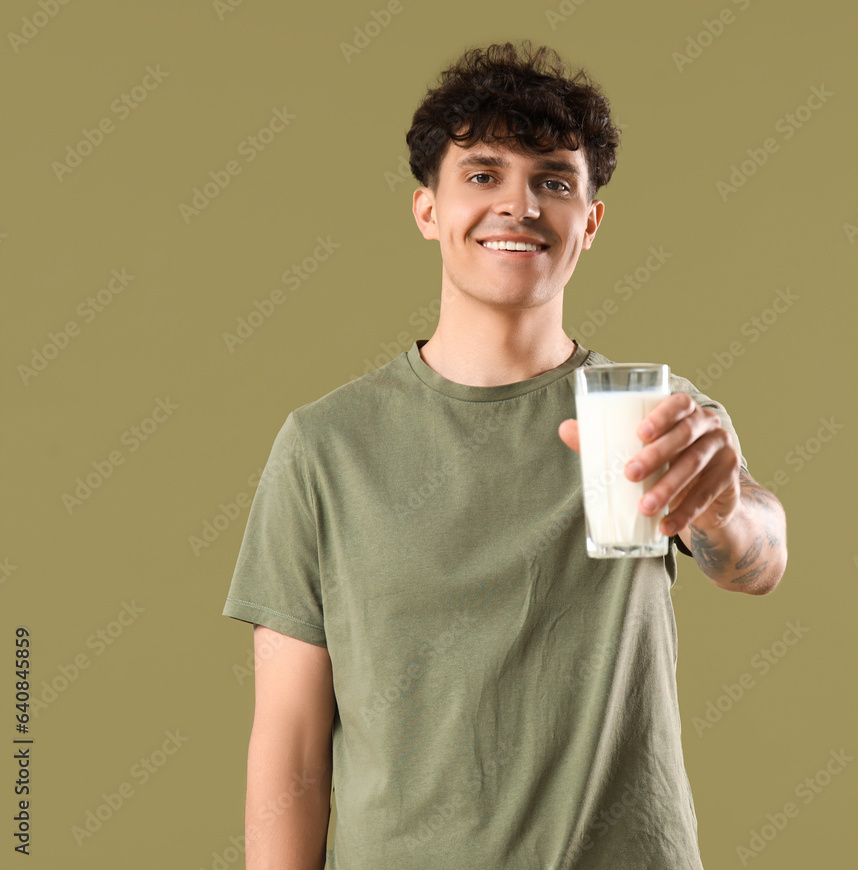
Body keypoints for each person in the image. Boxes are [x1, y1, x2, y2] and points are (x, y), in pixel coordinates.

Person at [222, 40, 787, 869]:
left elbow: (758, 562)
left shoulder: (653, 415)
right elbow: (291, 750)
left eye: (553, 181)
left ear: (588, 222)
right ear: (428, 210)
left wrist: (722, 504)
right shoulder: (324, 447)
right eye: (483, 175)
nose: (519, 206)